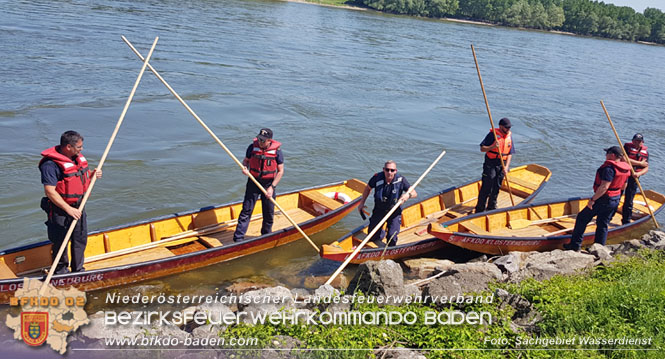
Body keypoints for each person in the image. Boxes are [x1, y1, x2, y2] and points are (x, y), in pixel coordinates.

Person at [39, 130, 102, 274]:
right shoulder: (50, 165)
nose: (81, 149)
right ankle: (61, 271)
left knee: (80, 239)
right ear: (68, 147)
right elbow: (50, 191)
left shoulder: (76, 158)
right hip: (60, 209)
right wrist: (68, 209)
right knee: (60, 240)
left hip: (78, 207)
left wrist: (93, 176)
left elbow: (79, 180)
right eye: (79, 147)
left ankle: (78, 270)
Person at [564, 146, 631, 251]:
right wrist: (617, 196)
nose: (605, 155)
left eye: (607, 153)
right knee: (603, 224)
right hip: (615, 199)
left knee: (582, 218)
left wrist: (593, 200)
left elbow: (604, 187)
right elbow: (624, 186)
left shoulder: (609, 169)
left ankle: (575, 246)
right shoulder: (625, 168)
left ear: (612, 155)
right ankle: (599, 249)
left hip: (604, 199)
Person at [233, 128, 284, 242]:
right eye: (259, 139)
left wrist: (272, 187)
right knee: (246, 210)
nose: (260, 142)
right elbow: (245, 161)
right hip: (253, 181)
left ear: (269, 140)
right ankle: (238, 239)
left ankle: (266, 237)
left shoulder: (277, 152)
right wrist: (245, 168)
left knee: (268, 212)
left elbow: (280, 171)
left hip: (268, 184)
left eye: (263, 140)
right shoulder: (252, 147)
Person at [357, 161, 417, 247]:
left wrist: (408, 195)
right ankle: (381, 232)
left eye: (392, 170)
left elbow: (414, 193)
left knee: (391, 239)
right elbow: (368, 188)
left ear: (395, 171)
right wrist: (362, 203)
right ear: (383, 170)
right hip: (379, 210)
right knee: (373, 237)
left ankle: (390, 234)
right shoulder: (377, 178)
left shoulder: (401, 180)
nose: (389, 172)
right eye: (387, 170)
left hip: (394, 211)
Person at [475, 117, 514, 213]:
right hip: (491, 163)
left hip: (502, 164)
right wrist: (492, 146)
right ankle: (480, 209)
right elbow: (482, 148)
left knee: (497, 186)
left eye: (509, 127)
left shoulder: (509, 136)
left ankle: (491, 207)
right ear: (500, 127)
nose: (508, 129)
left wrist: (506, 167)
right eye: (506, 127)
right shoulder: (492, 135)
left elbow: (510, 153)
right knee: (487, 185)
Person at [621, 133, 649, 225]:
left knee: (629, 199)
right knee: (617, 196)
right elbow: (624, 159)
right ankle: (609, 216)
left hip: (634, 177)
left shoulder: (645, 152)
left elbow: (646, 167)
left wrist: (639, 173)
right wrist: (639, 163)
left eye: (639, 141)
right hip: (623, 175)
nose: (637, 143)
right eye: (635, 141)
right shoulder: (627, 148)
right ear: (632, 141)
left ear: (642, 142)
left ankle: (626, 221)